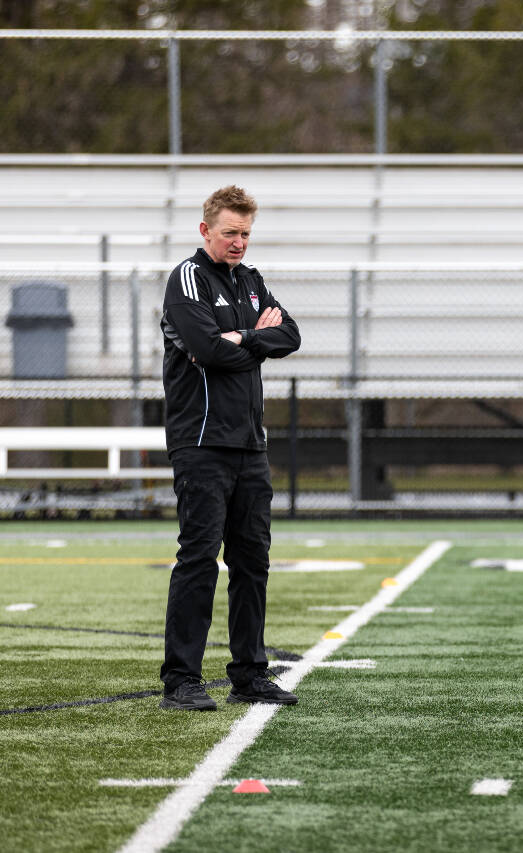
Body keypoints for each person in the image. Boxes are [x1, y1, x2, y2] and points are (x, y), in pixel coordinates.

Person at [157, 185, 301, 710]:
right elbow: (206, 351)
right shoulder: (187, 279)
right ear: (205, 231)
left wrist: (238, 340)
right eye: (230, 233)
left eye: (245, 233)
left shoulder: (251, 279)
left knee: (252, 561)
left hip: (249, 444)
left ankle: (249, 674)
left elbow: (291, 334)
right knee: (198, 558)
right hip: (201, 443)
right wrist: (249, 339)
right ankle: (180, 682)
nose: (239, 242)